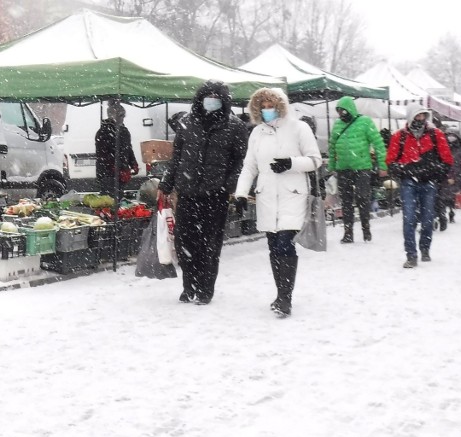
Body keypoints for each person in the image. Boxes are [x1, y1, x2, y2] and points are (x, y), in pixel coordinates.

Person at [157, 80, 248, 305]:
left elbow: (241, 161)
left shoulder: (234, 126)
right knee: (184, 242)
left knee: (210, 244)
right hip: (188, 192)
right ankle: (189, 286)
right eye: (208, 96)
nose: (211, 100)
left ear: (224, 101)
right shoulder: (187, 123)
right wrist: (166, 185)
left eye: (217, 97)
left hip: (215, 195)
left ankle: (206, 288)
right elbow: (176, 157)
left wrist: (229, 186)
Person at [234, 88, 321, 317]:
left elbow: (315, 160)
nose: (267, 109)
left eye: (270, 104)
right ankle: (280, 292)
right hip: (266, 196)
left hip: (292, 194)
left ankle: (285, 298)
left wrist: (290, 163)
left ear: (281, 105)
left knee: (284, 243)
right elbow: (249, 166)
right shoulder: (257, 133)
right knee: (273, 246)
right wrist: (241, 193)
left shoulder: (299, 128)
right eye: (262, 106)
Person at [386, 104, 453, 268]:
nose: (421, 119)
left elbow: (447, 160)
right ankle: (411, 254)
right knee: (409, 219)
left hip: (428, 182)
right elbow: (390, 160)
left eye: (423, 116)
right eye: (418, 116)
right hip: (409, 182)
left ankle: (424, 248)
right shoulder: (399, 137)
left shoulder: (436, 135)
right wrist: (402, 170)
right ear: (410, 117)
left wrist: (435, 172)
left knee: (428, 219)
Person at [327, 96, 387, 243]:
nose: (341, 113)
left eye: (344, 110)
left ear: (350, 109)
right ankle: (348, 233)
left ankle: (366, 229)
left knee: (362, 198)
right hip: (343, 169)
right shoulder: (337, 125)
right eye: (339, 110)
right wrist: (332, 165)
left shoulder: (365, 122)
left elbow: (378, 143)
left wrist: (383, 165)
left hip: (362, 168)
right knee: (346, 201)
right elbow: (332, 146)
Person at [95, 102, 139, 199]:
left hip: (120, 174)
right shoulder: (104, 132)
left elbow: (128, 149)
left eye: (123, 115)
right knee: (109, 200)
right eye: (121, 115)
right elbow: (102, 155)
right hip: (107, 175)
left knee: (118, 198)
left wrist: (133, 164)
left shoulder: (124, 131)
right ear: (112, 115)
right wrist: (115, 168)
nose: (122, 118)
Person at [436, 129, 461, 229]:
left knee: (452, 197)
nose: (450, 137)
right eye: (449, 135)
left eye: (453, 135)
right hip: (443, 175)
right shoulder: (441, 147)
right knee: (441, 197)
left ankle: (451, 212)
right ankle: (442, 215)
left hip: (456, 176)